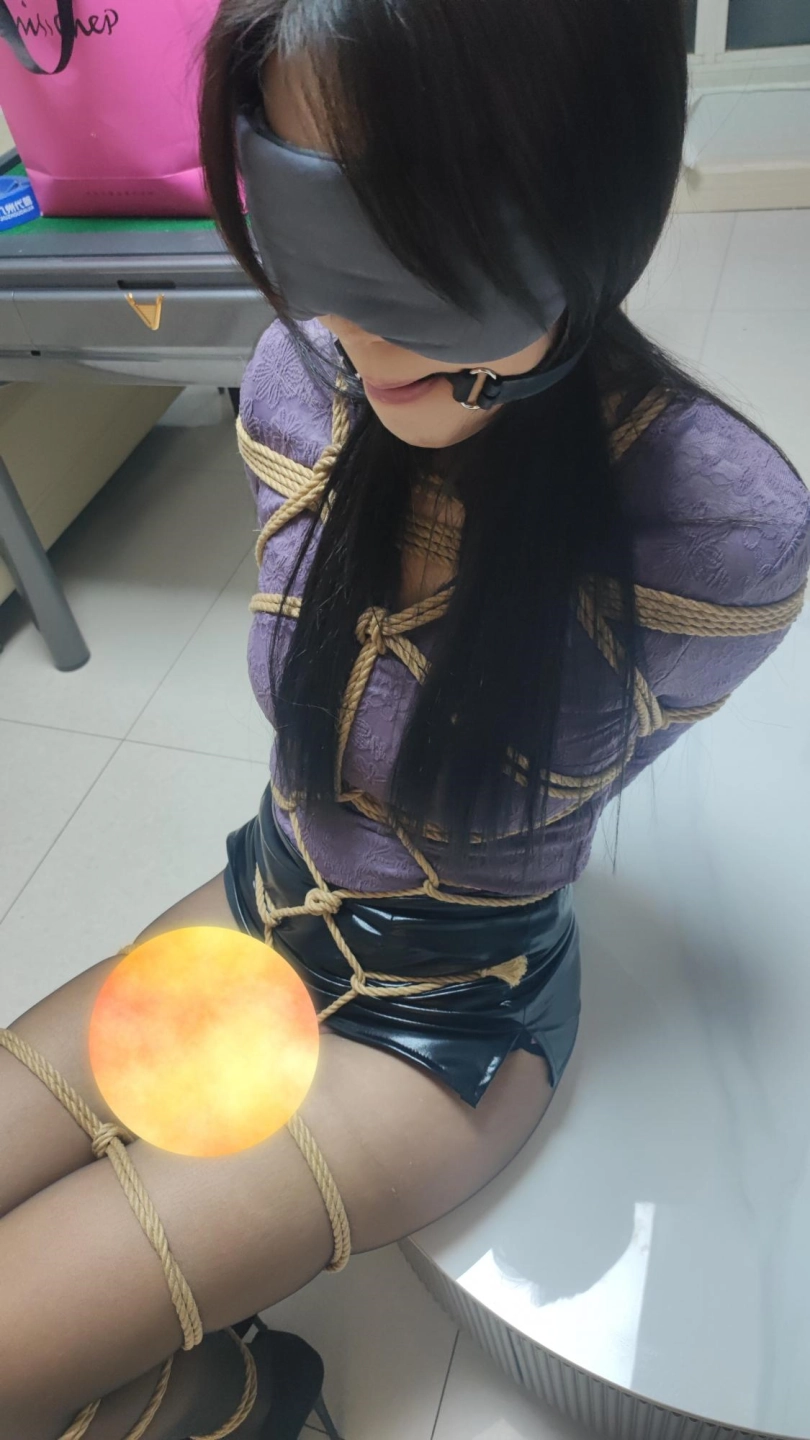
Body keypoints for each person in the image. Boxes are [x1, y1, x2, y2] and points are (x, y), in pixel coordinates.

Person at [1, 1, 809, 1437]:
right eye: (307, 225)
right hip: (263, 904)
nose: (345, 321)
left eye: (406, 237)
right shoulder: (297, 388)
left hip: (442, 1029)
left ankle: (242, 1393)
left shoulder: (718, 529)